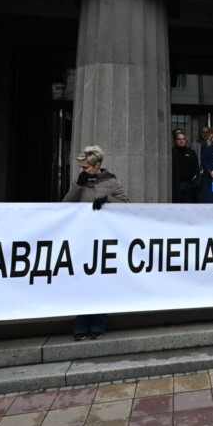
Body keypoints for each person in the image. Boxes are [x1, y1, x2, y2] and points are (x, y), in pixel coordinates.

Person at [63, 145, 129, 340]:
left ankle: (98, 326)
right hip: (83, 237)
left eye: (85, 167)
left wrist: (107, 199)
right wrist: (78, 185)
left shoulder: (112, 182)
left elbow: (127, 206)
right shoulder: (80, 183)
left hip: (104, 239)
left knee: (101, 282)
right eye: (81, 167)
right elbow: (65, 206)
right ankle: (81, 327)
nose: (82, 170)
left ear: (97, 165)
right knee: (83, 282)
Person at [172, 131, 199, 203]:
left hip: (189, 184)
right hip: (176, 184)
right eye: (179, 139)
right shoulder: (171, 153)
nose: (181, 141)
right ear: (175, 141)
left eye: (183, 139)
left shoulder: (191, 152)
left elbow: (196, 167)